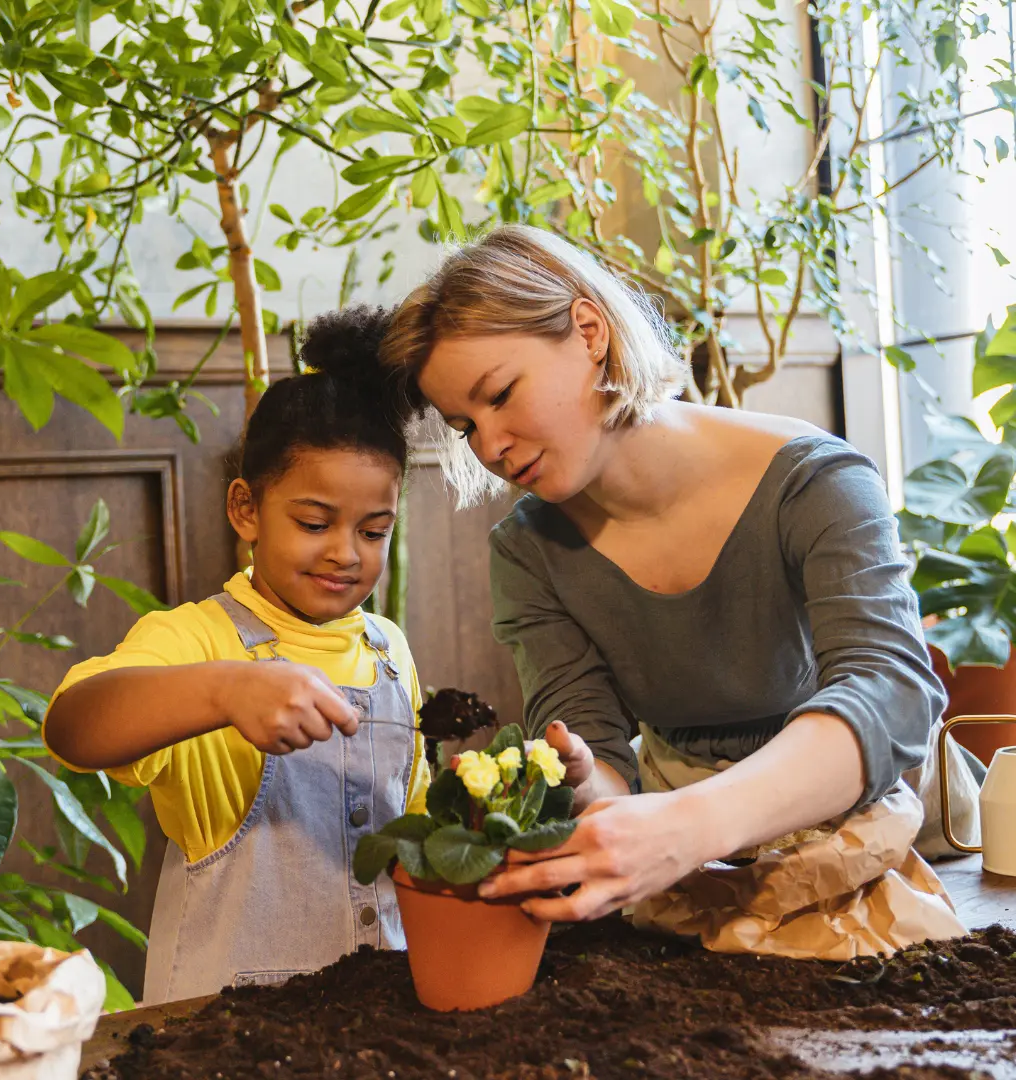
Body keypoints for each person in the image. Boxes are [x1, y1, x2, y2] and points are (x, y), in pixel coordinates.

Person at [380, 224, 976, 948]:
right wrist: (581, 777)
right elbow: (599, 757)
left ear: (589, 330)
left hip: (851, 825)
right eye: (465, 424)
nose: (490, 446)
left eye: (502, 394)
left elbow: (893, 692)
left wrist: (690, 824)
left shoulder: (815, 483)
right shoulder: (526, 551)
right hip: (668, 858)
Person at [44, 306, 430, 1004]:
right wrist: (225, 692)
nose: (346, 553)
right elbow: (73, 727)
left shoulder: (391, 652)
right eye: (314, 523)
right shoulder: (198, 639)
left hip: (381, 1017)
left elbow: (418, 836)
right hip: (227, 1029)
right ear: (246, 509)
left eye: (374, 531)